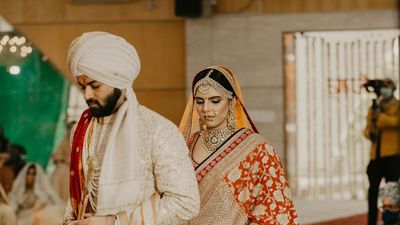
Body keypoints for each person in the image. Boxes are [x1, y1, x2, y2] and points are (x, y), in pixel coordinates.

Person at [62, 31, 199, 225]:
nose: (87, 95)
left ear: (119, 82)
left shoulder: (158, 130)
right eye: (82, 86)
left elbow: (186, 203)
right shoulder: (82, 129)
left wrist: (116, 221)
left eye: (95, 85)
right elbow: (78, 192)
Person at [179, 65, 298, 224]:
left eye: (215, 101)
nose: (206, 109)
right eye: (200, 102)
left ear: (232, 101)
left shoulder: (256, 149)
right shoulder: (186, 144)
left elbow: (276, 209)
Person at [363, 78, 400, 225]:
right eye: (382, 87)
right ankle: (371, 221)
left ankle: (391, 221)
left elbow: (395, 122)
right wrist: (370, 132)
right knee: (372, 192)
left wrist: (379, 116)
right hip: (375, 156)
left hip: (392, 156)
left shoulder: (397, 106)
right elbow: (367, 129)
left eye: (387, 87)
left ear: (393, 88)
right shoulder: (374, 107)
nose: (384, 90)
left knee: (391, 192)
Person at [50, 121, 76, 202]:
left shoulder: (78, 141)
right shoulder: (64, 141)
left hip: (72, 170)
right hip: (61, 169)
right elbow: (55, 156)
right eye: (70, 128)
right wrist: (63, 159)